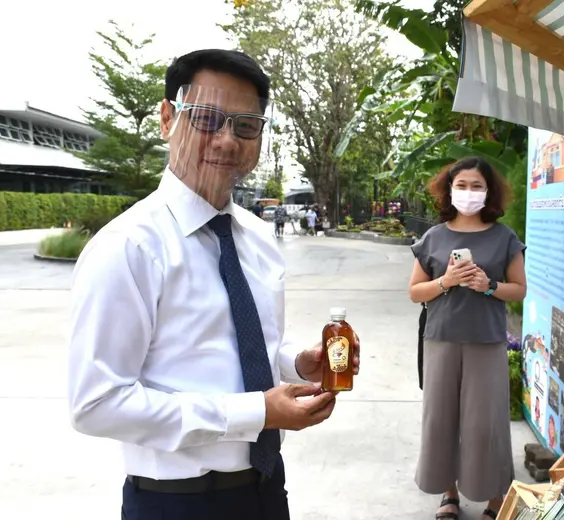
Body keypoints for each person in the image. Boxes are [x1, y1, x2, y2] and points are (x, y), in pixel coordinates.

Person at [67, 48, 360, 520]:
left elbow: (244, 340)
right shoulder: (129, 247)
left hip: (266, 487)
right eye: (206, 119)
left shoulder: (258, 237)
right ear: (167, 119)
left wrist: (297, 363)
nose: (226, 141)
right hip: (176, 501)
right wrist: (254, 413)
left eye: (245, 126)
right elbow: (97, 404)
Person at [408, 156, 527, 520]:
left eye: (477, 186)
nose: (469, 192)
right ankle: (449, 493)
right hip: (441, 338)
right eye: (462, 185)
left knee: (484, 422)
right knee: (441, 418)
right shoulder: (434, 237)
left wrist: (488, 286)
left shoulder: (504, 237)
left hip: (486, 341)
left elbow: (519, 290)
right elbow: (415, 292)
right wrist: (446, 281)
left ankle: (494, 497)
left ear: (488, 192)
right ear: (449, 190)